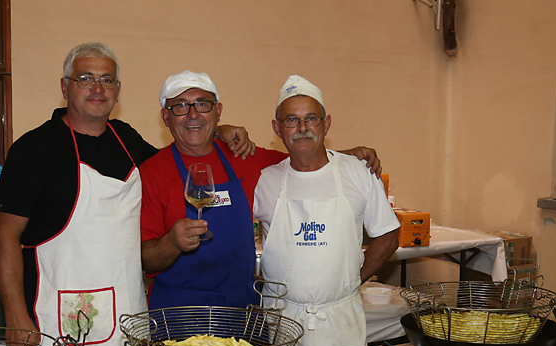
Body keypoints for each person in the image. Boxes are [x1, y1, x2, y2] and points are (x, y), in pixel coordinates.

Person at [0, 44, 253, 346]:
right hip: (57, 319)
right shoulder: (34, 149)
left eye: (107, 80)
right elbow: (2, 236)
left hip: (128, 312)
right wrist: (15, 317)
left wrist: (216, 127)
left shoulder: (126, 139)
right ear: (64, 86)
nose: (97, 89)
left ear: (117, 90)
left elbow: (179, 153)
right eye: (86, 78)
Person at [140, 71, 382, 310]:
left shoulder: (245, 156)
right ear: (165, 116)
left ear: (218, 111)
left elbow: (305, 157)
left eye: (203, 104)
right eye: (180, 106)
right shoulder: (151, 172)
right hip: (177, 310)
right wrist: (171, 243)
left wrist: (347, 158)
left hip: (240, 308)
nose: (193, 114)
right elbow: (145, 259)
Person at [253, 75, 400, 346]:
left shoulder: (358, 172)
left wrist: (351, 281)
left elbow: (388, 236)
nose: (302, 127)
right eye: (291, 119)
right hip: (283, 321)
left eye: (311, 118)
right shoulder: (264, 180)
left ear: (326, 124)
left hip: (340, 320)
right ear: (278, 129)